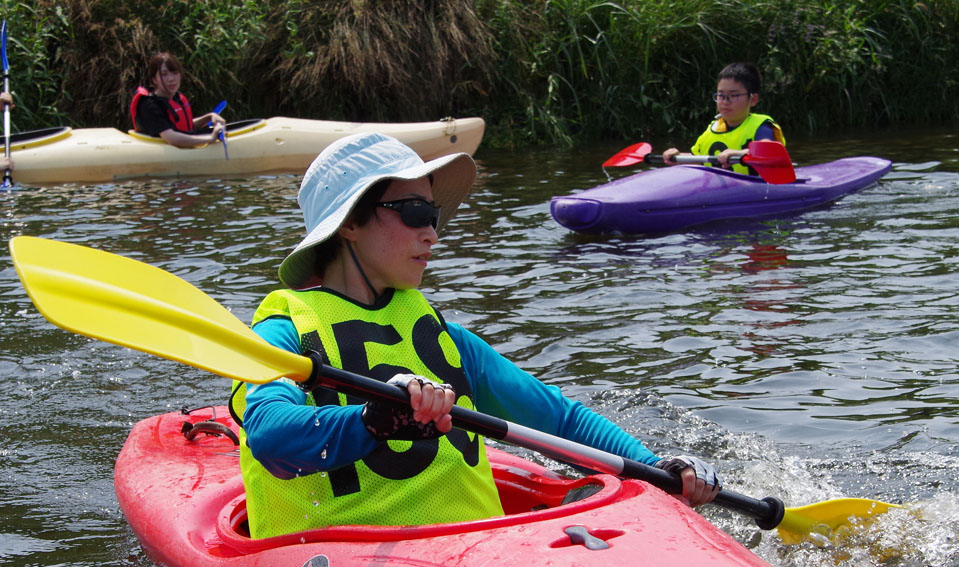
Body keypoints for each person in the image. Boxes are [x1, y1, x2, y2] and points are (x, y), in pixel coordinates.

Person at [230, 132, 722, 539]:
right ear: (352, 221)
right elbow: (271, 434)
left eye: (435, 216)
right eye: (415, 214)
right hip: (345, 561)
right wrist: (373, 421)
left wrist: (653, 466)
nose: (433, 234)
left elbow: (560, 418)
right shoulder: (282, 330)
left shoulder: (446, 338)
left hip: (476, 552)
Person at [663, 62, 785, 175]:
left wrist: (739, 154)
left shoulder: (762, 126)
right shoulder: (713, 129)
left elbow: (769, 151)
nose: (725, 102)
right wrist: (676, 157)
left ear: (753, 99)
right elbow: (698, 159)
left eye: (733, 95)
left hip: (757, 191)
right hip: (722, 192)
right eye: (721, 95)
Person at [129, 52, 225, 148]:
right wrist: (210, 138)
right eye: (164, 74)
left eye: (175, 73)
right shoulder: (149, 105)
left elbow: (184, 127)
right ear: (154, 80)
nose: (171, 79)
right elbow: (171, 138)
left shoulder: (176, 98)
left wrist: (209, 116)